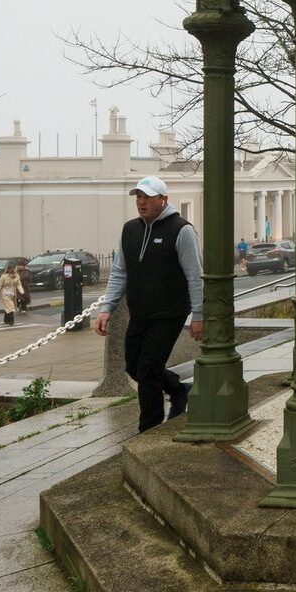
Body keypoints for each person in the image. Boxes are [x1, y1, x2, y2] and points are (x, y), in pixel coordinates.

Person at [95, 176, 204, 433]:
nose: (141, 202)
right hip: (140, 312)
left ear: (162, 199)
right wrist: (106, 309)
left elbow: (195, 275)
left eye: (147, 197)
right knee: (134, 366)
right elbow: (119, 272)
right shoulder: (130, 230)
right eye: (138, 197)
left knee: (147, 369)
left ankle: (149, 429)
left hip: (170, 312)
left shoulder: (181, 230)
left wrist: (199, 315)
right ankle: (178, 390)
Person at [0, 261, 24, 326]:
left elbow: (18, 284)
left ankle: (6, 320)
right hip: (5, 293)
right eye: (11, 272)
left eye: (14, 272)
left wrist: (21, 291)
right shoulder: (4, 277)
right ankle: (11, 320)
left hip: (12, 294)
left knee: (7, 307)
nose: (13, 274)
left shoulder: (17, 276)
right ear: (8, 271)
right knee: (11, 306)